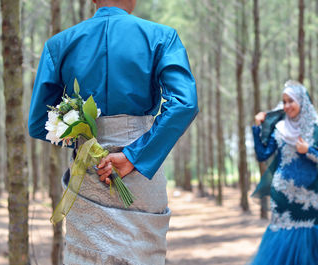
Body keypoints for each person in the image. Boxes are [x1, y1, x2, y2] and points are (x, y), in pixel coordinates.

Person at [28, 0, 198, 264]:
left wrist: (84, 138)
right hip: (141, 172)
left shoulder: (59, 44)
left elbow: (39, 122)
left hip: (88, 172)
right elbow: (185, 104)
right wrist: (134, 157)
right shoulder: (162, 37)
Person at [249, 80, 318, 265]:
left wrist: (309, 151)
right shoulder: (280, 129)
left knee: (307, 242)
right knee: (281, 238)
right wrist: (258, 128)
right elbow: (263, 155)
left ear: (302, 101)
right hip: (282, 196)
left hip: (309, 198)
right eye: (284, 101)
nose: (287, 106)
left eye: (291, 101)